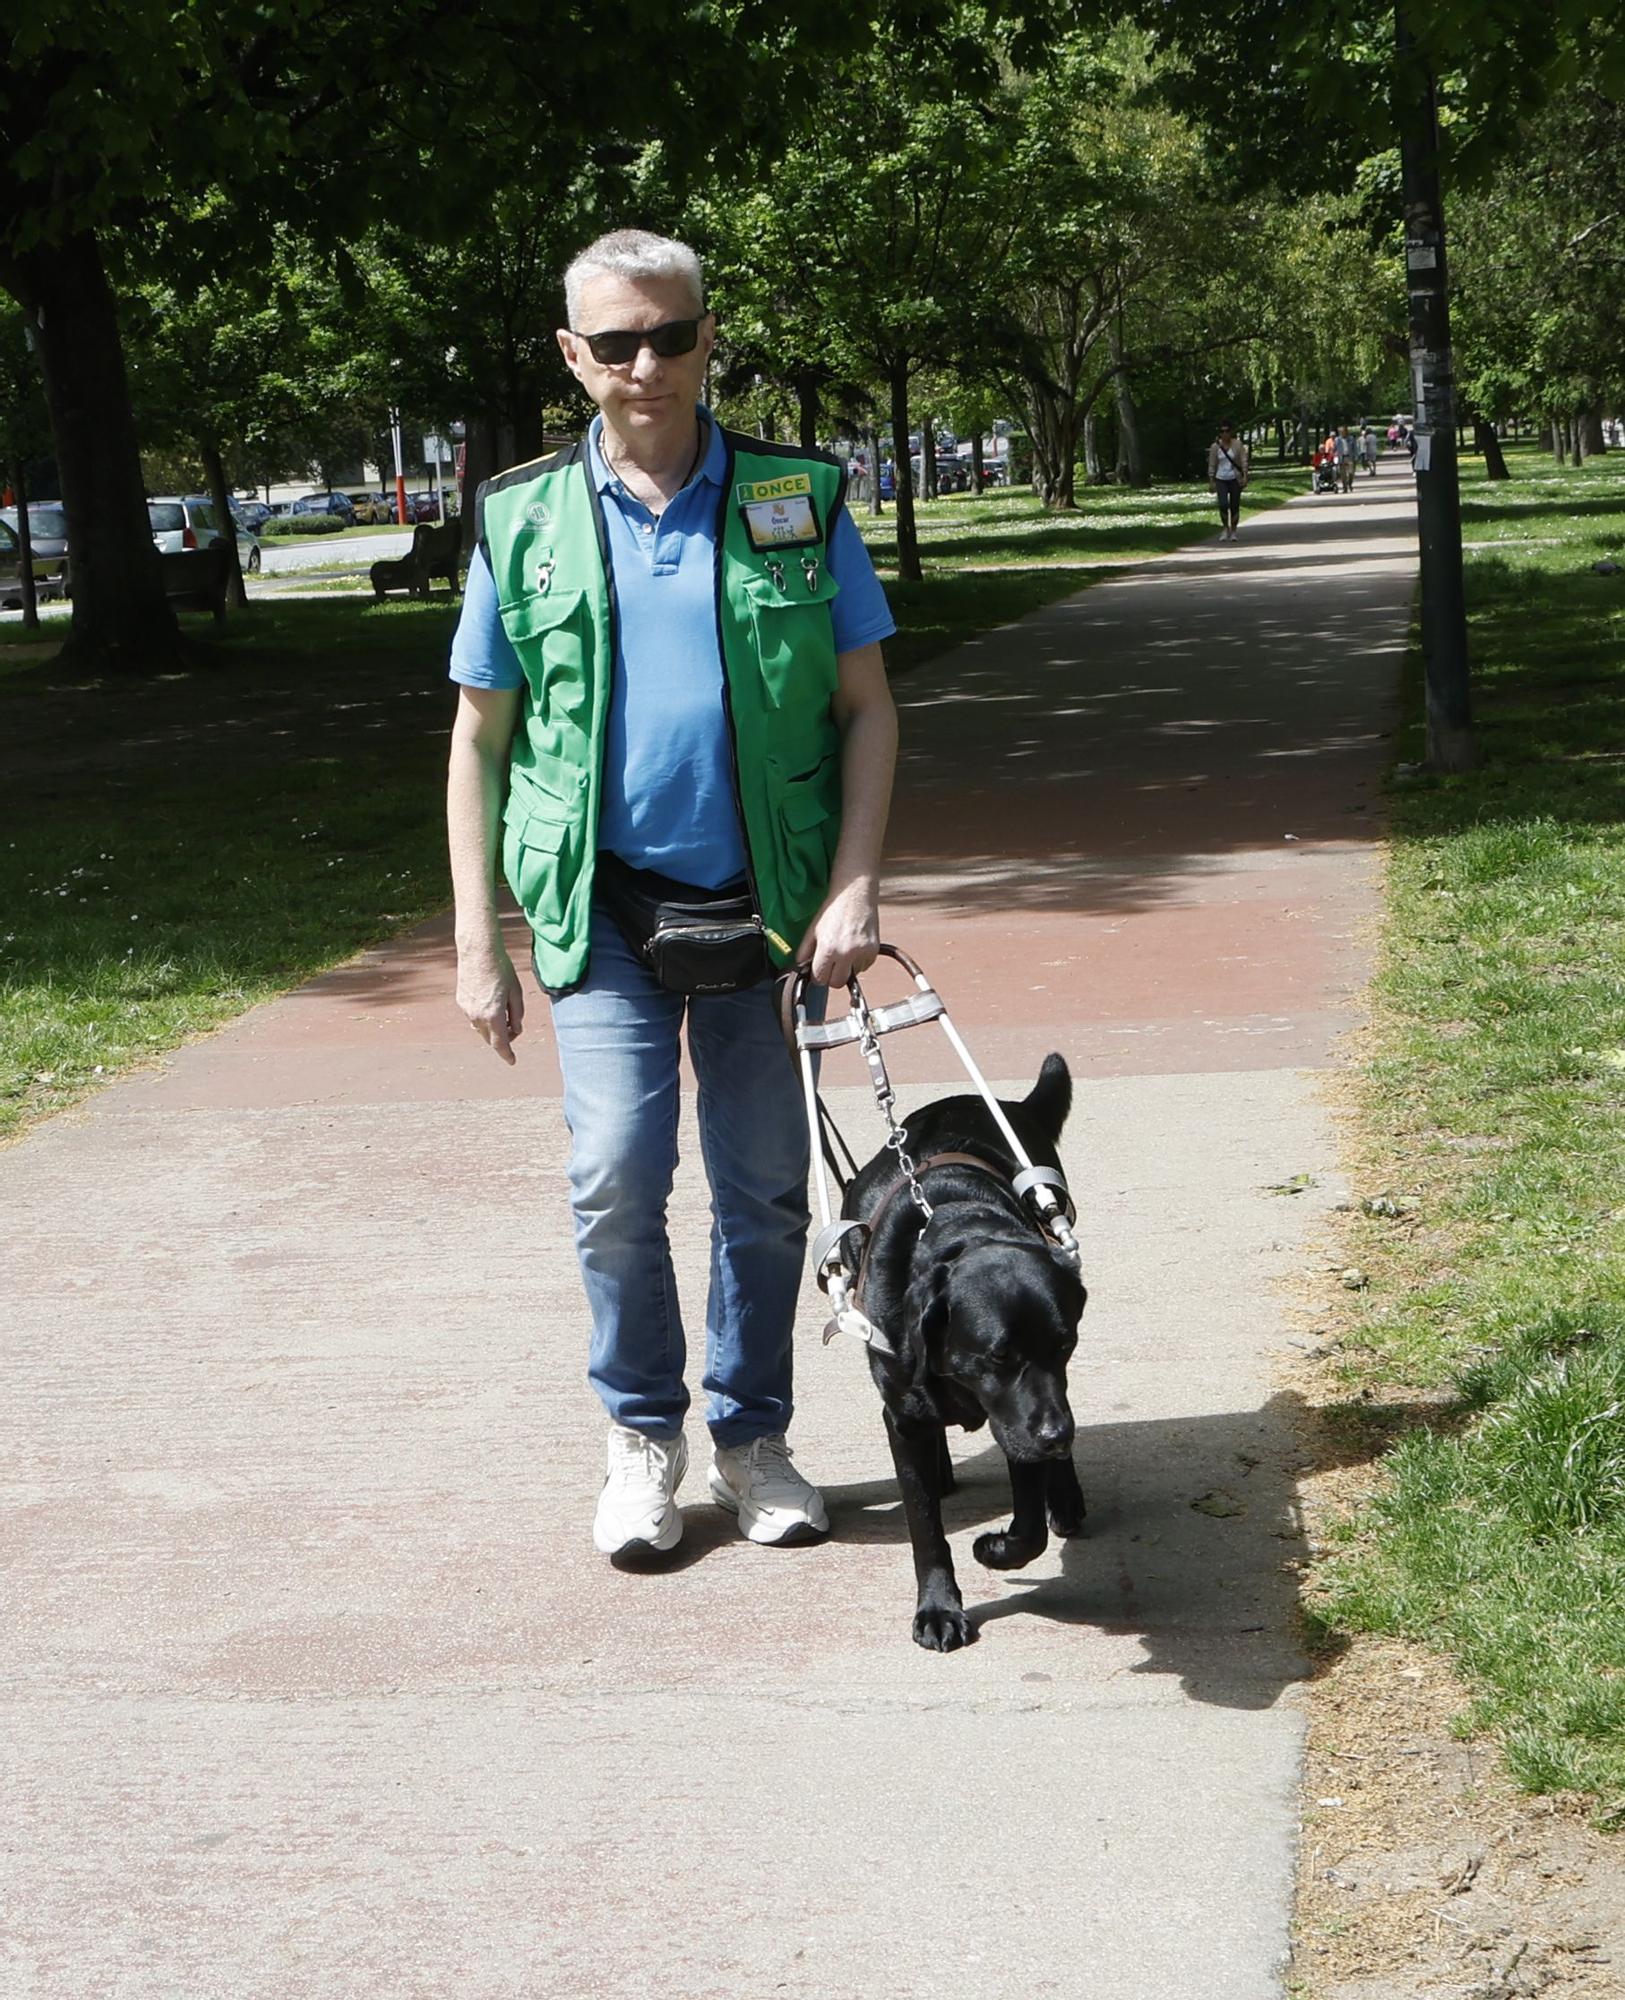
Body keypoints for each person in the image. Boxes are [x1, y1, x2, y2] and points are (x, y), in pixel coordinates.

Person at [445, 229, 899, 1562]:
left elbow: (867, 710)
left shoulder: (796, 499)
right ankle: (642, 1439)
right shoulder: (522, 518)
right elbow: (479, 740)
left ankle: (752, 1438)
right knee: (615, 1172)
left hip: (769, 914)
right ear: (573, 358)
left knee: (764, 1187)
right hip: (602, 917)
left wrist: (854, 888)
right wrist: (479, 943)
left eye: (674, 335)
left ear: (708, 340)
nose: (650, 364)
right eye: (618, 342)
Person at [1207, 421, 1249, 539]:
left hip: (1235, 478)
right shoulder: (1215, 447)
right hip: (1221, 479)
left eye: (1227, 431)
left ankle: (1234, 530)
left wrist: (1245, 475)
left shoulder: (1237, 445)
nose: (1224, 434)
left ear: (1231, 432)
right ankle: (1225, 528)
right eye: (1222, 431)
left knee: (1234, 505)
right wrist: (1211, 480)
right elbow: (1212, 464)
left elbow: (1244, 460)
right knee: (1223, 504)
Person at [1334, 425, 1356, 492]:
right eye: (1340, 432)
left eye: (1343, 432)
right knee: (1343, 474)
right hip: (1342, 458)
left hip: (1349, 457)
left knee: (1351, 473)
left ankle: (1349, 484)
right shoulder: (1337, 440)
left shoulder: (1351, 438)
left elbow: (1355, 448)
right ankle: (1345, 487)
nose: (1342, 433)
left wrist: (1356, 456)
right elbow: (1335, 449)